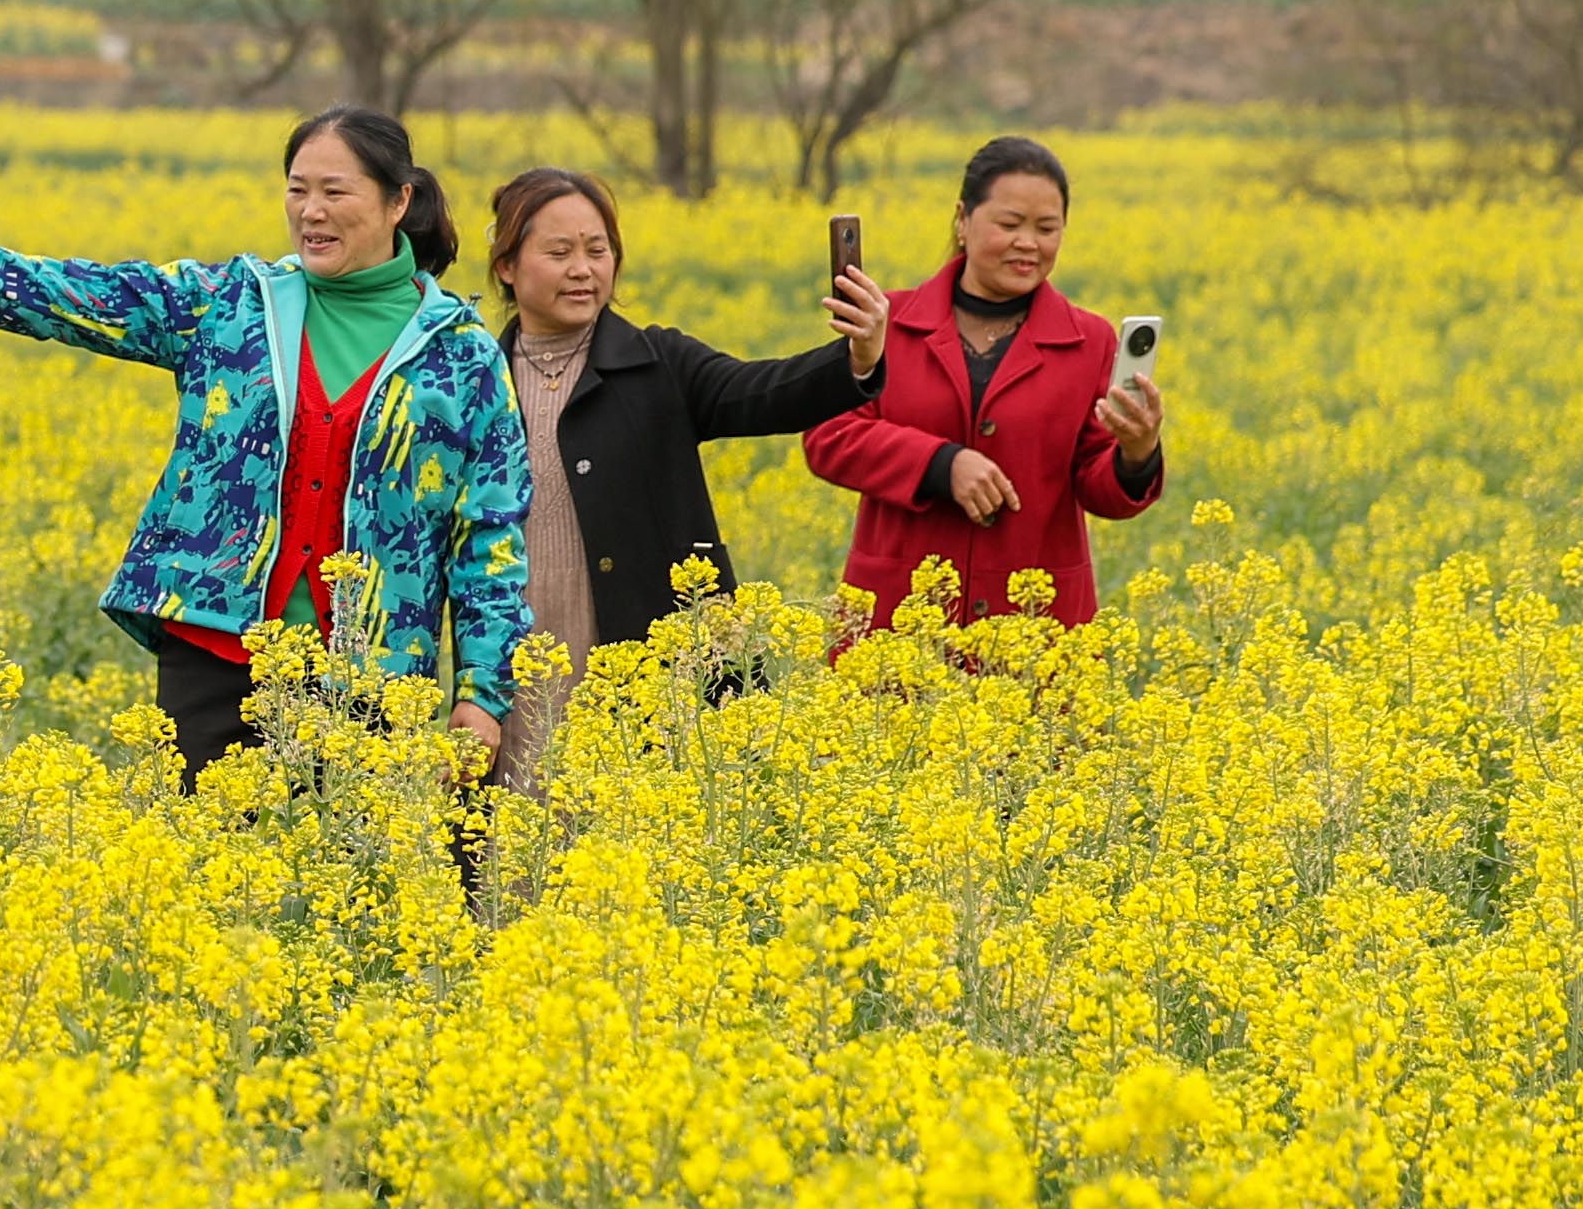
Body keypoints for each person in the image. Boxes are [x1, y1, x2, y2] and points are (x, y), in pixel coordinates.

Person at [0, 107, 528, 780]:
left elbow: (490, 537)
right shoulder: (230, 305)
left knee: (347, 874)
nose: (311, 211)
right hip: (218, 653)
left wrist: (483, 693)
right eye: (297, 189)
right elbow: (75, 298)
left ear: (398, 200)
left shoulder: (461, 356)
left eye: (335, 192)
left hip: (371, 674)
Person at [483, 162, 889, 765]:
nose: (582, 270)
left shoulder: (656, 365)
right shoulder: (476, 381)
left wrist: (857, 355)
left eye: (598, 250)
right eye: (559, 251)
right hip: (517, 666)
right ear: (507, 267)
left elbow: (763, 390)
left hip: (649, 670)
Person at [803, 132, 1167, 632]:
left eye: (1047, 228)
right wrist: (939, 464)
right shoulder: (888, 321)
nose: (1029, 244)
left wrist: (1136, 455)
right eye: (1010, 223)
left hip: (1037, 629)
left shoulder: (1089, 340)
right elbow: (829, 437)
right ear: (962, 218)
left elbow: (1099, 486)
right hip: (898, 625)